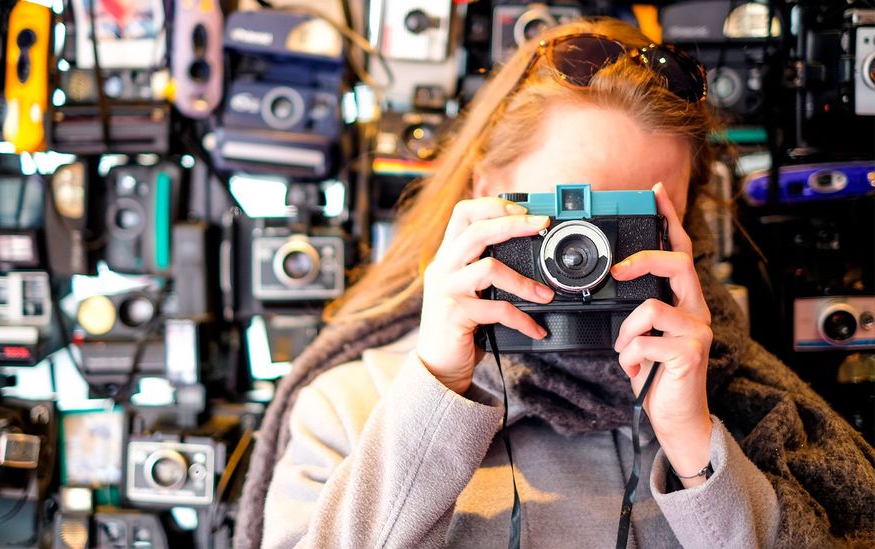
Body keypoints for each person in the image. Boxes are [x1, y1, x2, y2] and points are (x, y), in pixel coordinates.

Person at [234, 17, 875, 549]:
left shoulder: (751, 416)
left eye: (635, 219)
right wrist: (436, 394)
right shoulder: (350, 408)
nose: (585, 252)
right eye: (570, 214)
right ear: (486, 193)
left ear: (688, 226)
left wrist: (697, 451)